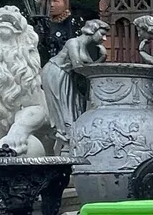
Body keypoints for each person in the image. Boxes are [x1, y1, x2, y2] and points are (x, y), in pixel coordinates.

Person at [42, 20, 108, 154]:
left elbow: (85, 67)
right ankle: (66, 143)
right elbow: (78, 65)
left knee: (74, 110)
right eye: (102, 34)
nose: (104, 38)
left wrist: (103, 57)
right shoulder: (73, 42)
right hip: (57, 74)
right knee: (64, 110)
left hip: (70, 76)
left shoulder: (85, 47)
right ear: (92, 30)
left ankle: (70, 144)